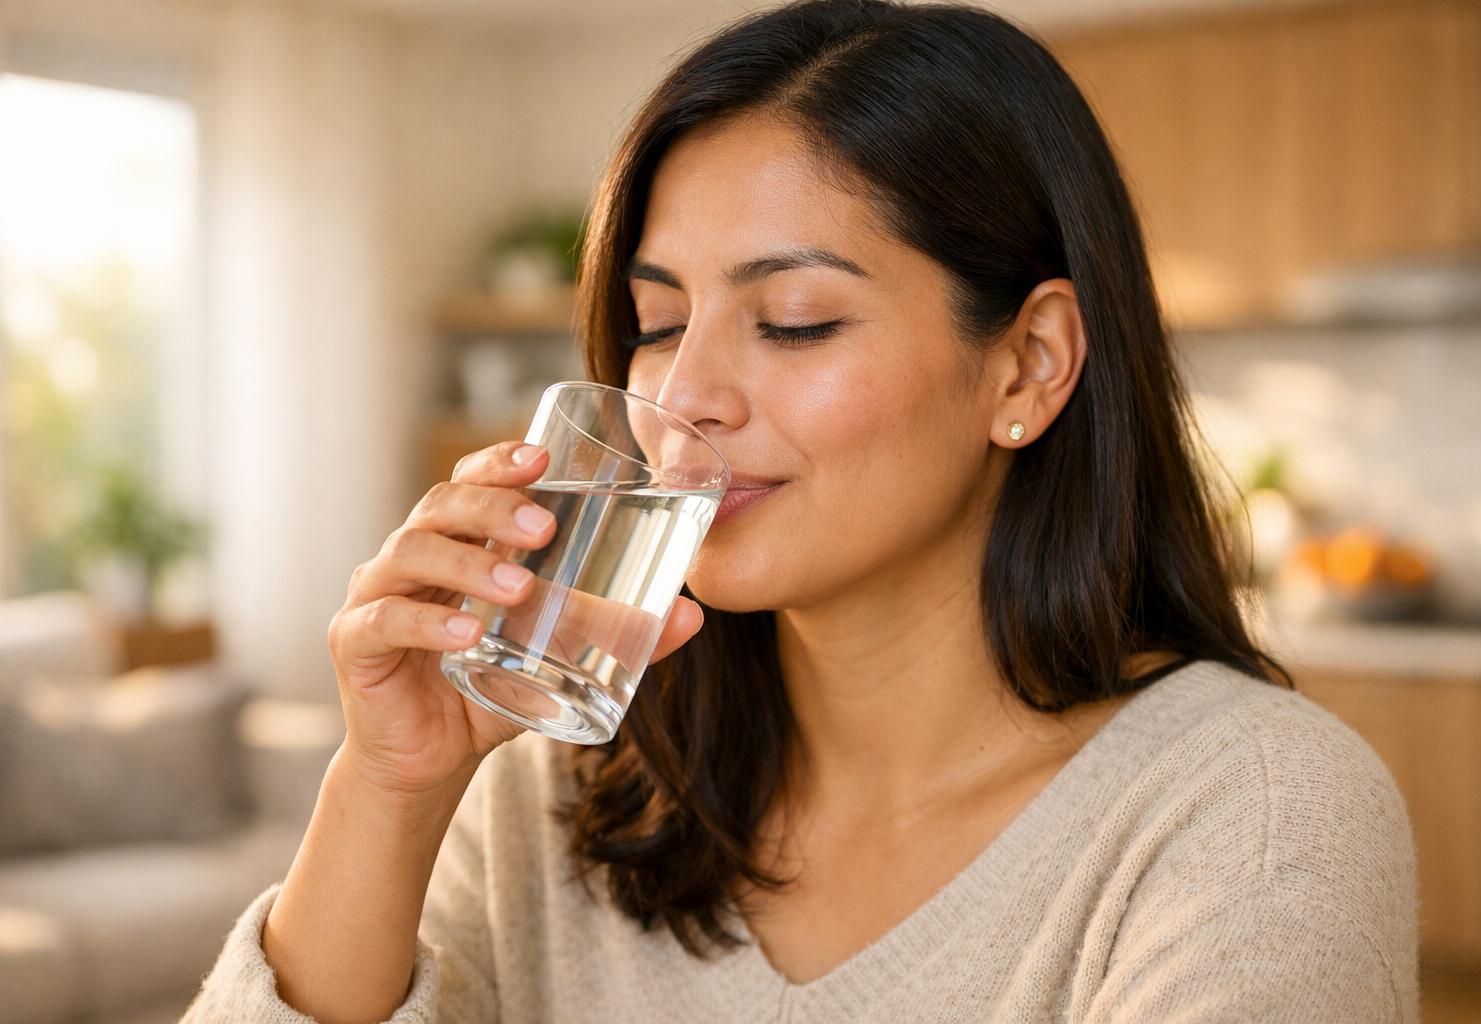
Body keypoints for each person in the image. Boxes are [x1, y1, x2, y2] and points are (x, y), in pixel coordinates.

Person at [184, 2, 1418, 1021]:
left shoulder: (1252, 812)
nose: (684, 394)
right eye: (660, 322)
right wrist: (387, 789)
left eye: (795, 321)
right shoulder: (554, 794)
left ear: (1029, 364)